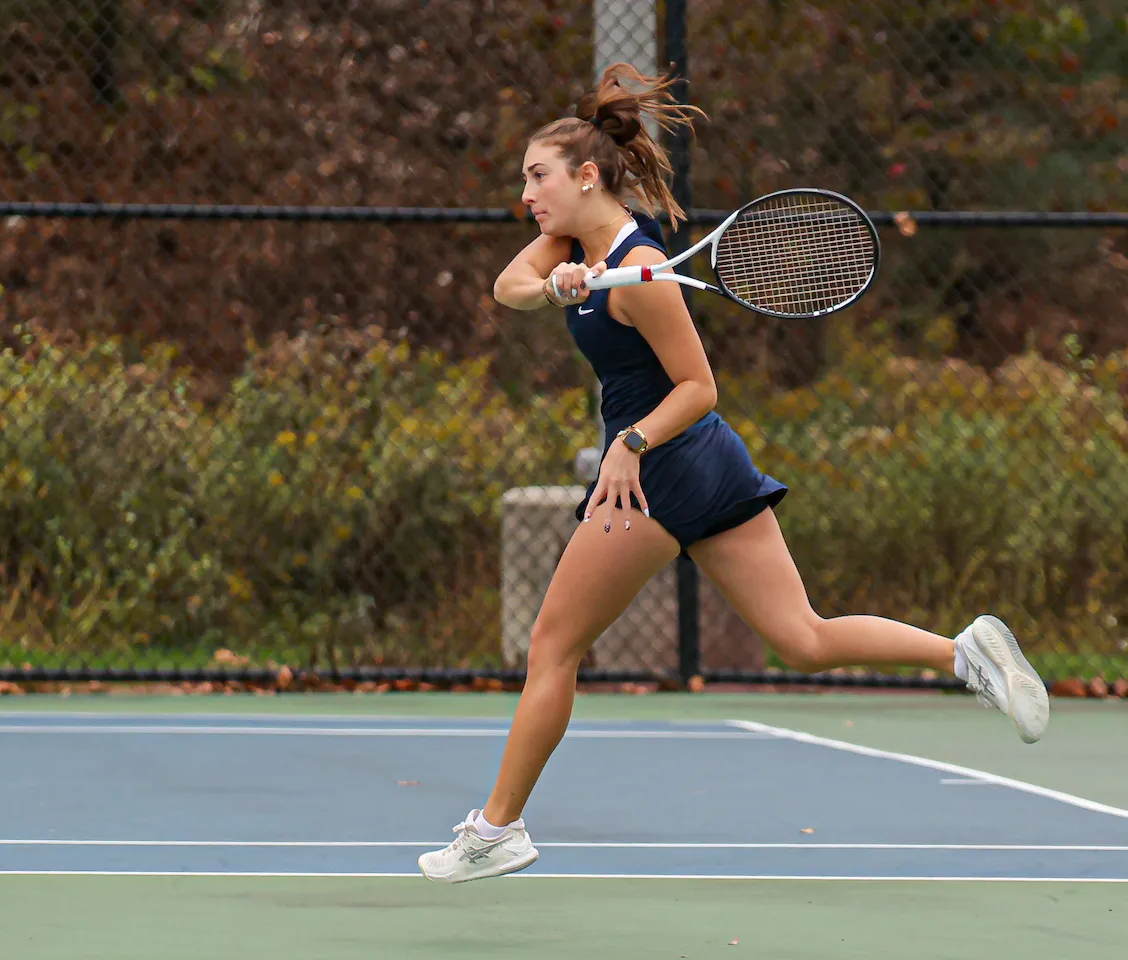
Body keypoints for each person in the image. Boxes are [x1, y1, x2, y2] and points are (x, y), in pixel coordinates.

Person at [416, 63, 1051, 885]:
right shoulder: (575, 247)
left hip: (657, 469)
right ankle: (962, 653)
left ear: (583, 175)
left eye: (537, 177)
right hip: (710, 464)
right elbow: (508, 287)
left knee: (553, 647)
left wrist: (630, 444)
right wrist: (554, 285)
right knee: (803, 639)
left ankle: (496, 830)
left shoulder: (642, 274)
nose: (527, 193)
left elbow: (699, 386)